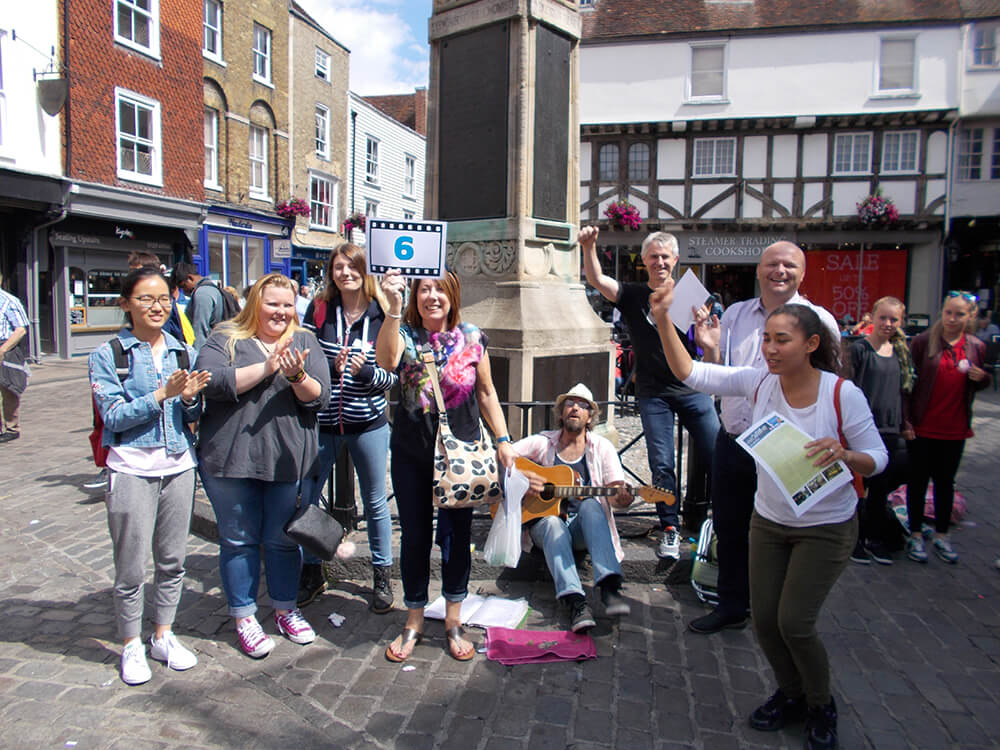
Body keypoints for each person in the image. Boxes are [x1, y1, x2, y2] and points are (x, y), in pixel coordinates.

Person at [652, 281, 887, 750]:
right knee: (764, 621)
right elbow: (691, 372)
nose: (771, 349)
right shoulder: (759, 382)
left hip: (826, 527)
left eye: (783, 340)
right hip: (771, 521)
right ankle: (792, 694)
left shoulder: (842, 395)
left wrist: (844, 454)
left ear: (811, 344)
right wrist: (662, 320)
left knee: (794, 622)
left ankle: (821, 705)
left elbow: (877, 458)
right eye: (766, 339)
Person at [687, 241, 840, 635]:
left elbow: (835, 385)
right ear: (758, 270)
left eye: (790, 265)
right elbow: (718, 376)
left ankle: (778, 614)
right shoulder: (736, 313)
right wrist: (708, 350)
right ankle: (732, 605)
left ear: (803, 274)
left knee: (784, 531)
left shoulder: (820, 320)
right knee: (730, 526)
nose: (780, 271)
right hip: (735, 439)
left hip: (787, 447)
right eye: (772, 264)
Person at [376, 268, 516, 663]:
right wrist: (391, 308)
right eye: (424, 289)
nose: (432, 296)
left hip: (462, 453)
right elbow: (386, 361)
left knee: (456, 538)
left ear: (453, 295)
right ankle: (415, 618)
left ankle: (454, 618)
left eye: (440, 289)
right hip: (412, 451)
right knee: (416, 536)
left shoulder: (471, 336)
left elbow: (486, 392)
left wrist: (503, 440)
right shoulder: (404, 334)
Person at [195, 273, 331, 658]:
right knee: (238, 540)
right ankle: (244, 615)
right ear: (255, 302)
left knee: (284, 540)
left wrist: (296, 375)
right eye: (273, 303)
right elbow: (212, 382)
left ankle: (286, 608)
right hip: (231, 459)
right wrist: (268, 367)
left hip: (288, 460)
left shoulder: (304, 340)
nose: (281, 312)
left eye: (288, 305)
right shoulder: (225, 337)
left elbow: (320, 396)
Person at [88, 267, 211, 685]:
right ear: (126, 304)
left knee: (173, 561)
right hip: (131, 468)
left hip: (177, 465)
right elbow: (114, 418)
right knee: (131, 566)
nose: (157, 307)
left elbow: (193, 417)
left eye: (164, 299)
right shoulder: (109, 355)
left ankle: (163, 634)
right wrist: (161, 395)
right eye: (146, 299)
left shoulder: (183, 352)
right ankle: (130, 643)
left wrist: (191, 401)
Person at [580, 226, 719, 559]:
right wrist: (589, 247)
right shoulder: (632, 294)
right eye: (653, 256)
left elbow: (714, 356)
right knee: (662, 464)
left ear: (675, 260)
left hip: (693, 387)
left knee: (719, 454)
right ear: (643, 260)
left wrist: (706, 344)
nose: (659, 262)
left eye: (665, 257)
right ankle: (669, 527)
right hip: (653, 392)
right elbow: (599, 280)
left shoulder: (695, 297)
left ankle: (723, 522)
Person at [299, 245, 398, 610]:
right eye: (338, 267)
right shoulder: (320, 309)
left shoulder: (381, 313)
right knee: (309, 499)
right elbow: (304, 357)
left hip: (368, 423)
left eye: (352, 266)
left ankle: (381, 575)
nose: (345, 273)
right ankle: (312, 571)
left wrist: (364, 371)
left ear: (364, 271)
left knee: (375, 503)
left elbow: (392, 376)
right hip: (323, 423)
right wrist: (330, 364)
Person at [512, 384, 632, 632]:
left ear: (590, 417)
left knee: (590, 504)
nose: (575, 408)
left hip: (582, 529)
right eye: (570, 403)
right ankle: (576, 602)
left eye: (583, 405)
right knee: (554, 524)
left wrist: (622, 497)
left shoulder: (602, 448)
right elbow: (504, 457)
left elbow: (615, 490)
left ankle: (609, 587)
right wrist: (525, 477)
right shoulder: (543, 443)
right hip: (544, 528)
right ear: (561, 413)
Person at [904, 291, 990, 564]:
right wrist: (907, 420)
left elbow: (978, 382)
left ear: (970, 317)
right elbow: (907, 385)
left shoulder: (976, 346)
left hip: (955, 429)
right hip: (922, 427)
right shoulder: (921, 342)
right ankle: (915, 534)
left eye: (959, 314)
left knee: (945, 484)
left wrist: (983, 377)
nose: (952, 319)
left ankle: (942, 535)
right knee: (917, 483)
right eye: (948, 312)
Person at [844, 297, 915, 565]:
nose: (887, 324)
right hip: (861, 429)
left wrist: (905, 423)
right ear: (871, 317)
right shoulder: (859, 349)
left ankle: (874, 538)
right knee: (857, 490)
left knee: (880, 490)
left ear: (901, 322)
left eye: (893, 319)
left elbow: (903, 392)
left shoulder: (901, 351)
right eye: (883, 317)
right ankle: (855, 540)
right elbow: (847, 387)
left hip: (889, 430)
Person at [0, 274, 30, 443]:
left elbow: (20, 330)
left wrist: (3, 349)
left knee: (8, 389)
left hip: (5, 347)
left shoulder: (9, 301)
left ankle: (12, 428)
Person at [174, 262, 227, 350]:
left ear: (190, 278)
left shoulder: (202, 293)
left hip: (208, 349)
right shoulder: (211, 288)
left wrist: (197, 356)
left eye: (183, 286)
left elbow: (200, 329)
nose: (184, 290)